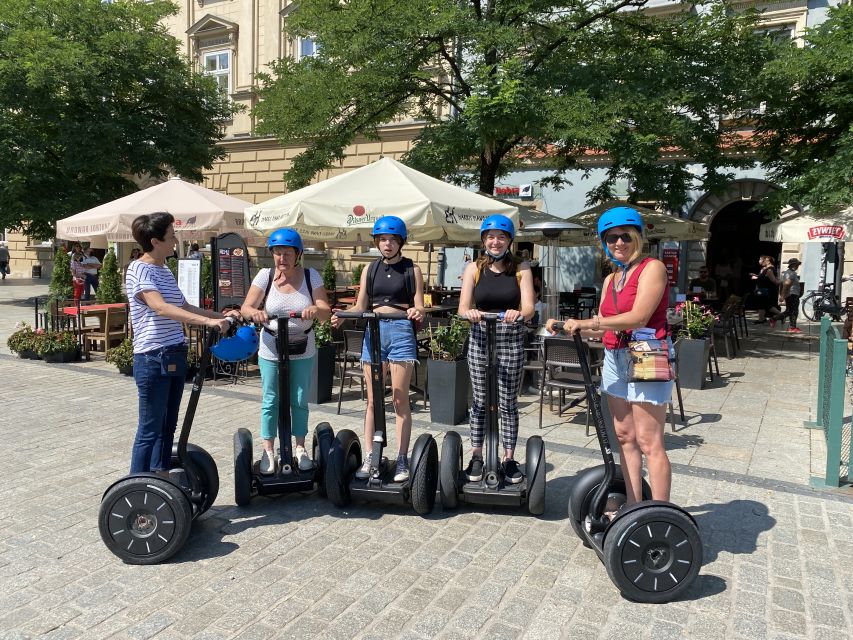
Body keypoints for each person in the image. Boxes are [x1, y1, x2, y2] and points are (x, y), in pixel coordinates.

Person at [546, 206, 673, 506]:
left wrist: (590, 323)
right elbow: (602, 329)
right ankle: (633, 505)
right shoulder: (611, 279)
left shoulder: (652, 268)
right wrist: (568, 327)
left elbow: (639, 317)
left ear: (637, 237)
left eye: (625, 236)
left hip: (647, 355)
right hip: (615, 357)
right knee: (626, 436)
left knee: (649, 440)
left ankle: (660, 512)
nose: (619, 243)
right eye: (611, 238)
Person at [126, 212, 239, 474]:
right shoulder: (138, 269)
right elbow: (161, 308)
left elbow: (184, 306)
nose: (175, 240)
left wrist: (220, 315)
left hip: (174, 352)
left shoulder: (163, 269)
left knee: (168, 426)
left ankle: (160, 478)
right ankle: (136, 485)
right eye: (171, 236)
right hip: (153, 356)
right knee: (149, 428)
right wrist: (208, 324)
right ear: (155, 241)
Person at [332, 216, 424, 482]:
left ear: (400, 242)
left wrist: (417, 311)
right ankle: (372, 455)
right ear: (377, 242)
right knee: (372, 401)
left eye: (392, 239)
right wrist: (343, 314)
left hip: (400, 331)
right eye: (383, 239)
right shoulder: (369, 270)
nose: (387, 244)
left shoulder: (412, 269)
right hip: (373, 331)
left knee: (399, 400)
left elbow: (418, 304)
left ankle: (403, 459)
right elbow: (361, 306)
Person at [240, 228, 331, 474]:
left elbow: (325, 310)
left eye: (287, 253)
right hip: (271, 346)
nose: (282, 258)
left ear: (297, 254)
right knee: (271, 399)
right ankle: (268, 450)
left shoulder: (312, 276)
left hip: (302, 346)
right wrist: (255, 313)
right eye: (278, 253)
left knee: (300, 399)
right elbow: (246, 307)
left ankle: (299, 447)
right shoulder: (265, 276)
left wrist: (315, 308)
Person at [458, 215, 535, 484]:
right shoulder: (473, 269)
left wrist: (518, 312)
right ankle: (477, 455)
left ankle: (509, 458)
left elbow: (529, 308)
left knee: (507, 403)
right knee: (480, 401)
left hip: (510, 337)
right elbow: (462, 307)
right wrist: (471, 313)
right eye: (490, 237)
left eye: (501, 237)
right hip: (480, 337)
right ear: (484, 240)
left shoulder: (521, 268)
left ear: (509, 241)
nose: (495, 241)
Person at [774, 258, 803, 333]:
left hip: (791, 294)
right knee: (794, 311)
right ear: (793, 265)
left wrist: (783, 295)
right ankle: (792, 327)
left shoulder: (789, 273)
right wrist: (782, 296)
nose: (798, 266)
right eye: (797, 264)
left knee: (789, 311)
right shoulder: (791, 273)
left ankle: (774, 319)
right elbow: (786, 284)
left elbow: (784, 283)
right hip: (792, 294)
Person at [750, 255, 781, 323]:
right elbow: (766, 279)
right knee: (763, 305)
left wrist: (781, 281)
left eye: (765, 260)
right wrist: (757, 277)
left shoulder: (769, 270)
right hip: (763, 290)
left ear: (769, 261)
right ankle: (762, 319)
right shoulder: (767, 269)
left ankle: (781, 315)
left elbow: (774, 281)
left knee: (767, 306)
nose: (763, 261)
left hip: (766, 291)